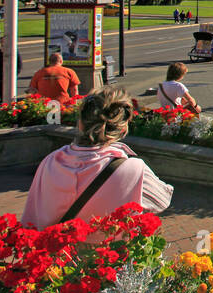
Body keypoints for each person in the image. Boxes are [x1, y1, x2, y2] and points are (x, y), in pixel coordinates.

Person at [22, 87, 174, 229]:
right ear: (123, 128)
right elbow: (162, 201)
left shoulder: (51, 161)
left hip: (60, 256)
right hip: (111, 256)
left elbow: (31, 220)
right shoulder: (132, 169)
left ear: (80, 123)